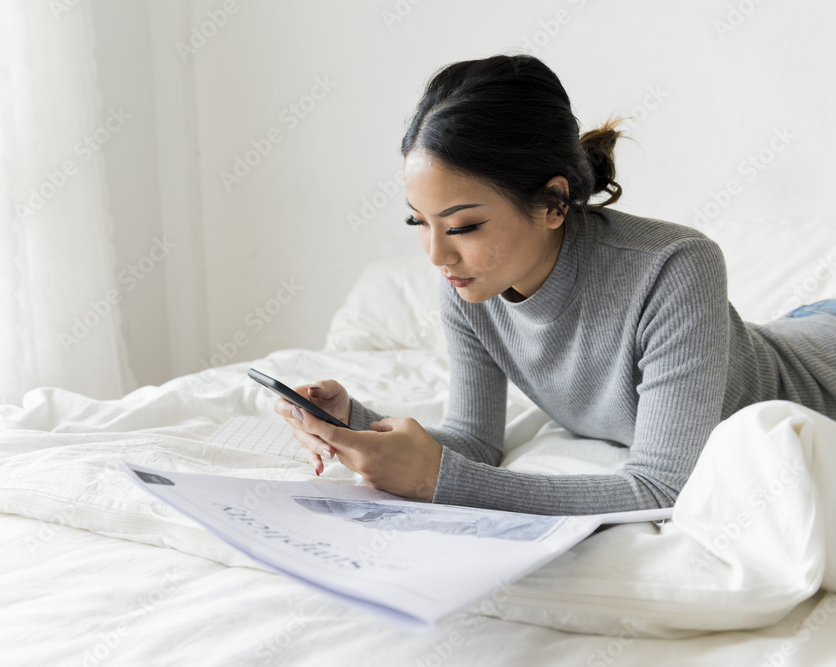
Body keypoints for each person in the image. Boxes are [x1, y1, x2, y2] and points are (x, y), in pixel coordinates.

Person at [273, 53, 836, 516]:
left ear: (553, 202)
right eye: (419, 222)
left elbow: (663, 490)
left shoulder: (676, 265)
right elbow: (476, 442)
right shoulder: (470, 287)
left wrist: (437, 483)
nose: (438, 255)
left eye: (464, 226)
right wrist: (355, 426)